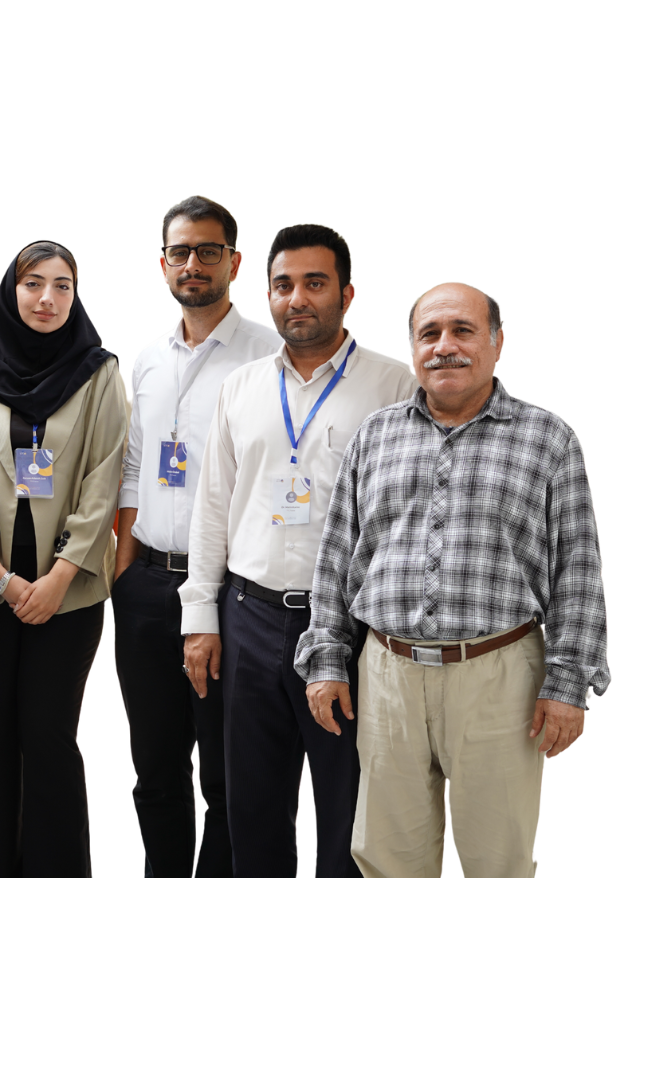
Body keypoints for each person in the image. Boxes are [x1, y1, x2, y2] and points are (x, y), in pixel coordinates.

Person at [295, 281, 609, 878]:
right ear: (414, 349)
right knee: (388, 858)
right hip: (387, 677)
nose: (445, 346)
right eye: (429, 334)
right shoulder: (375, 436)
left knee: (498, 860)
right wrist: (327, 660)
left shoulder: (549, 439)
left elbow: (577, 570)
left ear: (496, 343)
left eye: (462, 331)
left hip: (501, 680)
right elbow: (337, 558)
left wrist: (569, 683)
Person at [180, 223, 418, 877]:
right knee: (252, 807)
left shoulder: (395, 387)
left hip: (350, 628)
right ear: (268, 294)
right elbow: (212, 507)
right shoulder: (241, 386)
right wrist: (200, 617)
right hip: (249, 619)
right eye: (283, 285)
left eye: (315, 283)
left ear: (348, 293)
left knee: (349, 806)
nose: (298, 299)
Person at [0, 240, 128, 878]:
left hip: (68, 593)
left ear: (75, 296)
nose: (47, 298)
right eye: (33, 284)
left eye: (62, 286)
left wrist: (58, 578)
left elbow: (104, 481)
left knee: (49, 736)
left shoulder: (99, 371)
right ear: (10, 290)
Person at [114, 195, 281, 878]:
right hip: (146, 587)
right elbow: (134, 472)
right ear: (162, 265)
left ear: (235, 263)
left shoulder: (269, 352)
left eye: (208, 251)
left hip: (226, 591)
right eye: (180, 252)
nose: (193, 264)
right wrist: (122, 577)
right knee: (154, 768)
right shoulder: (148, 359)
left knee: (223, 769)